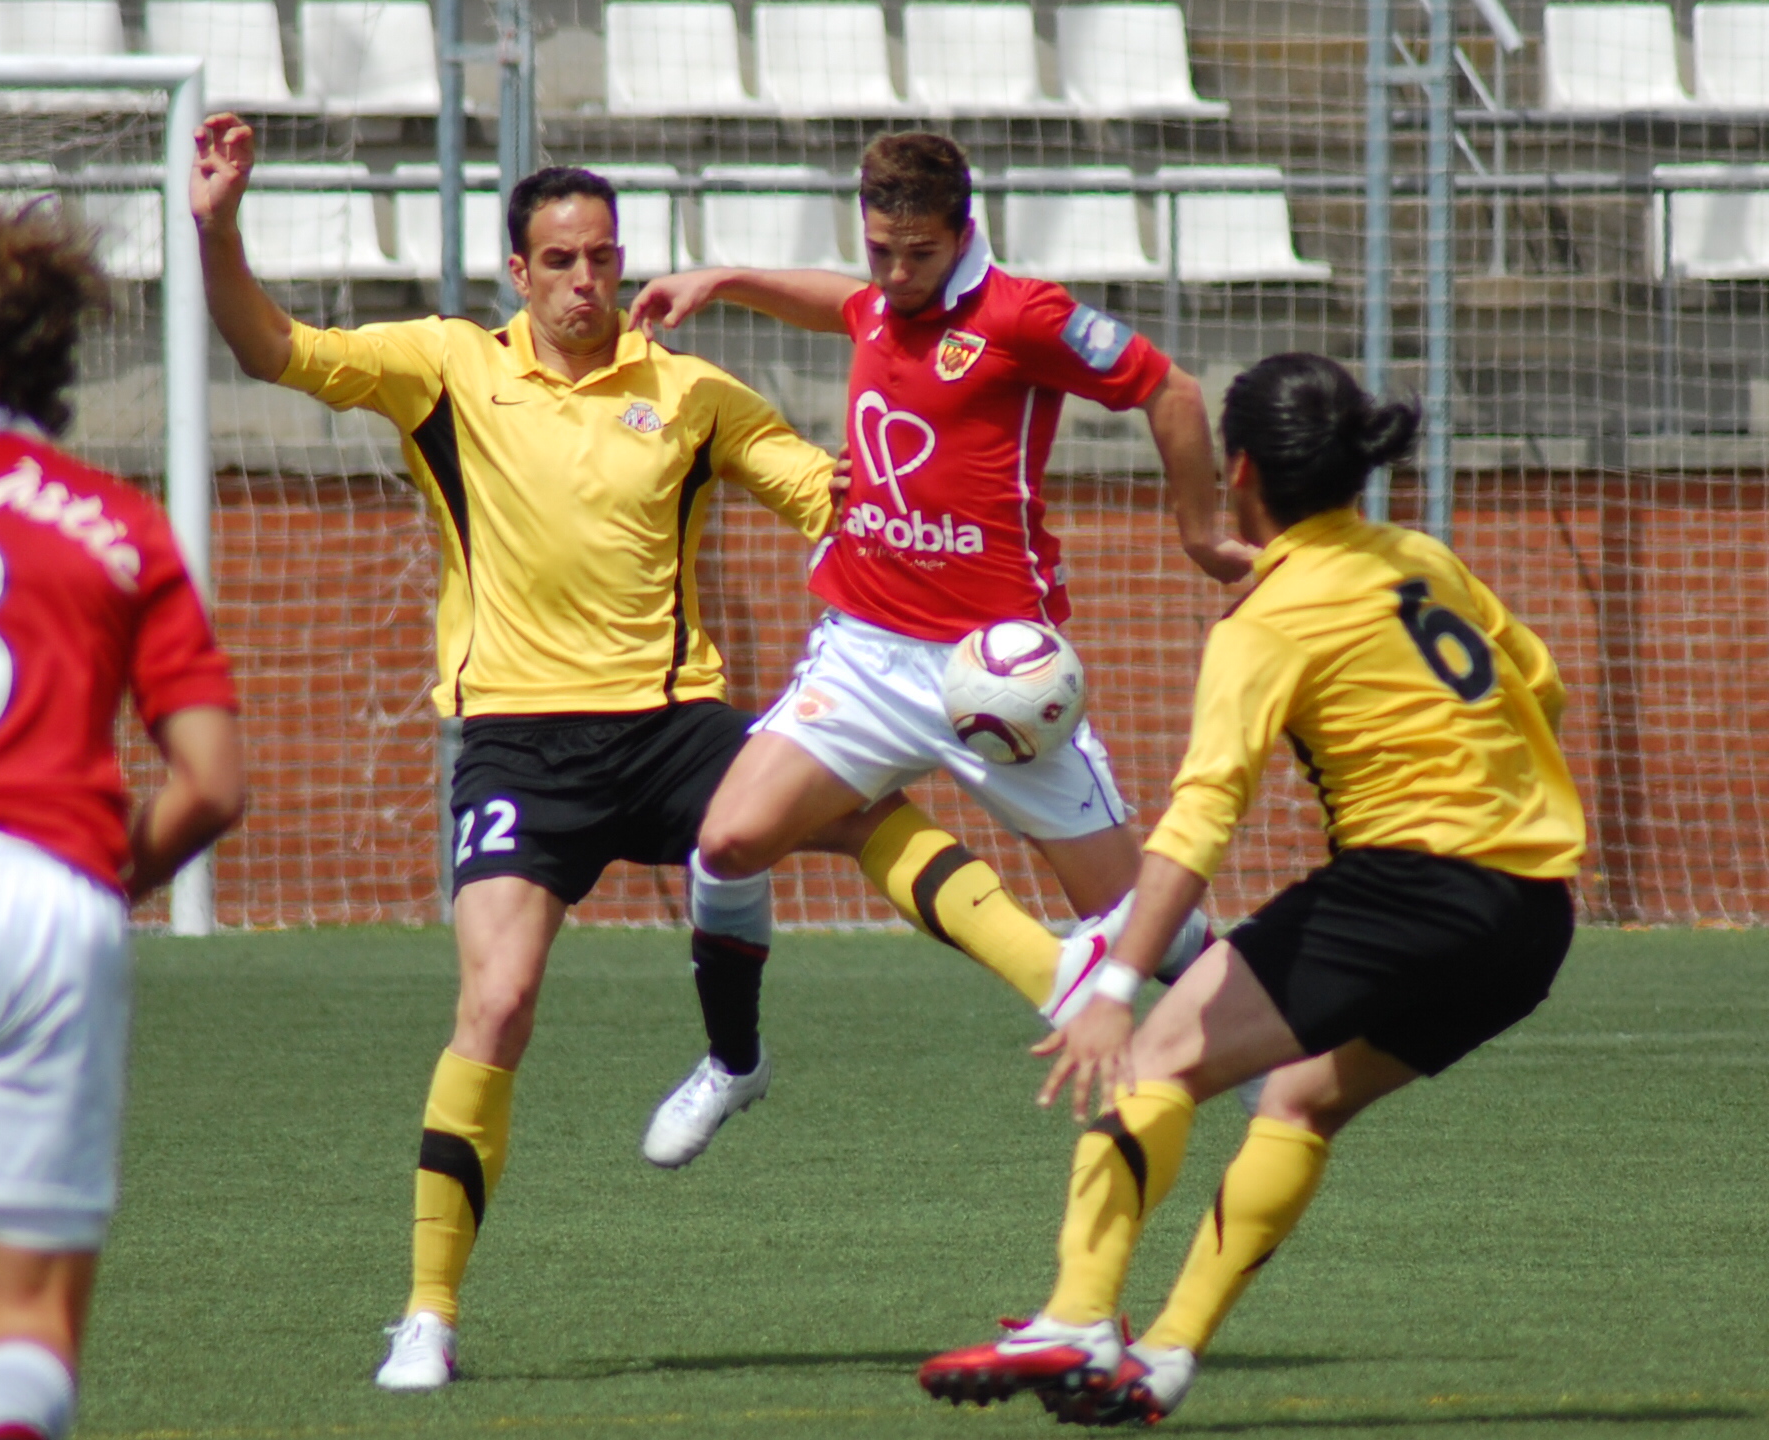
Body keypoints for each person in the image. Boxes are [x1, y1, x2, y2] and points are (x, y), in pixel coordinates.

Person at [189, 116, 1113, 1391]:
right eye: (560, 260)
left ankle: (1058, 977)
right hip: (517, 742)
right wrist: (217, 225)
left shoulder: (690, 391)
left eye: (604, 259)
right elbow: (267, 347)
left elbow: (834, 491)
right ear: (517, 272)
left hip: (675, 721)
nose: (586, 282)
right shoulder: (443, 367)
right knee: (497, 1001)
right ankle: (428, 1314)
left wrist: (953, 526)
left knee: (851, 808)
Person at [916, 353, 1586, 1426]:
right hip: (1534, 915)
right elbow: (1539, 685)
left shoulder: (1264, 620)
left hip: (1411, 885)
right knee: (1300, 1100)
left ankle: (1080, 1316)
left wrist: (1116, 981)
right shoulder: (1420, 558)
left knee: (1155, 1058)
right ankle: (1167, 1355)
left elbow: (1202, 817)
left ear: (1238, 474)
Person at [629, 132, 1255, 1143]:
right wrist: (726, 278)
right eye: (879, 249)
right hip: (866, 654)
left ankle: (1260, 1046)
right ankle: (733, 1063)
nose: (893, 272)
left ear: (961, 233)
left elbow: (1170, 390)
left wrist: (1200, 535)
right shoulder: (877, 296)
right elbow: (837, 299)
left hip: (996, 667)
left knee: (1138, 910)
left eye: (916, 253)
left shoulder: (1026, 313)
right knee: (729, 841)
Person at [0, 202, 245, 1440]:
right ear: (57, 356)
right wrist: (98, 882)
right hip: (41, 909)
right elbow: (213, 784)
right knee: (26, 1335)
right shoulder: (114, 526)